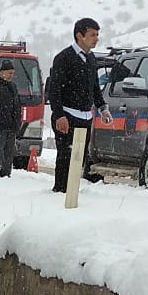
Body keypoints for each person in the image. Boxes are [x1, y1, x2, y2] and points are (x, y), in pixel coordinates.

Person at [46, 17, 108, 193]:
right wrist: (59, 115)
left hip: (85, 117)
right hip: (67, 115)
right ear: (79, 36)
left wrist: (102, 107)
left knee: (79, 158)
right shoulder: (64, 58)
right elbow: (55, 89)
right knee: (66, 157)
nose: (96, 38)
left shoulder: (91, 59)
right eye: (92, 35)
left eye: (97, 34)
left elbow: (94, 87)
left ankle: (72, 192)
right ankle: (60, 191)